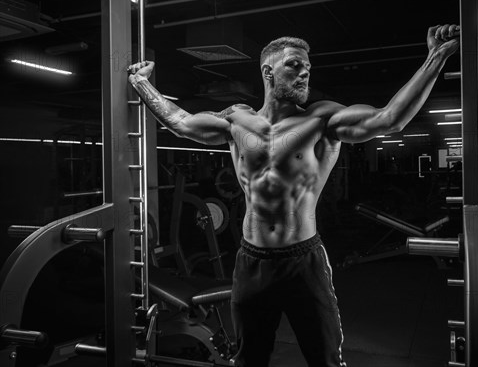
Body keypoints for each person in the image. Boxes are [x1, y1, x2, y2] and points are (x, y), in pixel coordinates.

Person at [127, 24, 460, 367]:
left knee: (325, 360)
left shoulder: (321, 119)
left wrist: (436, 56)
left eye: (307, 67)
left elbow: (389, 119)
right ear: (268, 71)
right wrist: (142, 83)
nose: (304, 73)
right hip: (251, 261)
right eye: (294, 65)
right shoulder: (236, 120)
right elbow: (180, 122)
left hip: (304, 262)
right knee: (248, 359)